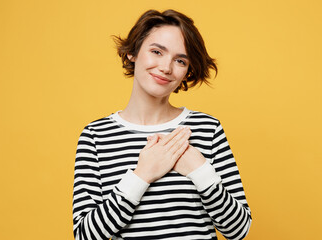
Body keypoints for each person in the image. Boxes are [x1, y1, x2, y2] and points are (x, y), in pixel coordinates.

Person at [72, 9, 252, 240]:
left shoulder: (207, 128)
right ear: (133, 53)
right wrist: (142, 174)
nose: (166, 67)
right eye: (157, 51)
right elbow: (85, 235)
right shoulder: (96, 136)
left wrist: (201, 171)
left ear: (187, 71)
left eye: (180, 60)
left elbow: (238, 230)